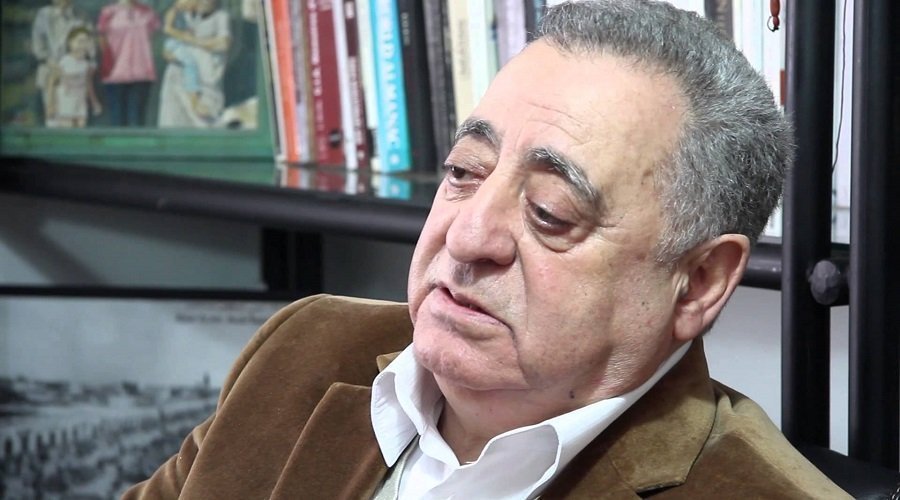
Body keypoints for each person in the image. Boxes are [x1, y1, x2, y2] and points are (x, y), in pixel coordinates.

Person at [125, 1, 850, 498]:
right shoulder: (304, 349)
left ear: (698, 281)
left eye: (549, 212)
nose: (466, 236)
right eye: (464, 172)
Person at [157, 0, 231, 128]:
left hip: (205, 74)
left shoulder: (221, 16)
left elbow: (223, 44)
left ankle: (195, 102)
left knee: (204, 122)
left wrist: (190, 40)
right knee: (174, 118)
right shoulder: (188, 14)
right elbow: (169, 37)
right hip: (178, 73)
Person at [96, 0, 161, 127]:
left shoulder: (148, 13)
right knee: (117, 120)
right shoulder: (108, 12)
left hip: (141, 72)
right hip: (115, 73)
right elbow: (102, 39)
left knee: (137, 120)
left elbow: (154, 36)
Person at [30, 0, 93, 127]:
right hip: (50, 71)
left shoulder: (81, 16)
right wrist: (50, 62)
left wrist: (75, 61)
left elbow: (89, 44)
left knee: (75, 119)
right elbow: (37, 44)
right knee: (52, 118)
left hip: (75, 76)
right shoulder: (44, 14)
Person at [45, 27, 102, 128]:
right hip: (65, 103)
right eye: (80, 41)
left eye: (86, 42)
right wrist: (50, 105)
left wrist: (94, 103)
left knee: (81, 129)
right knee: (67, 131)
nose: (83, 46)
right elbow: (51, 83)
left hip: (80, 104)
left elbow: (88, 85)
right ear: (70, 43)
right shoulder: (63, 62)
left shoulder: (87, 65)